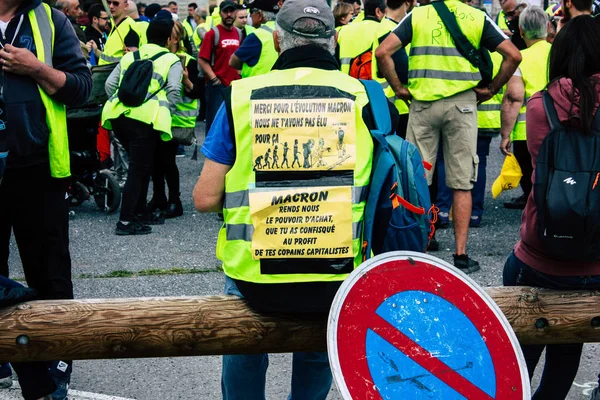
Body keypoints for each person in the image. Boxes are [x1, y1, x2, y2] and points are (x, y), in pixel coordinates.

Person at [193, 0, 399, 397]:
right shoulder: (367, 97)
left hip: (256, 279)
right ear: (334, 39)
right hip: (335, 275)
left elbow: (204, 198)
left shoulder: (240, 97)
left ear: (276, 39)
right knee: (320, 351)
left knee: (244, 350)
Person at [376, 0, 522, 273]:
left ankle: (416, 250)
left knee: (415, 178)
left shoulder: (417, 15)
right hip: (462, 106)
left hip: (422, 106)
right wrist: (491, 89)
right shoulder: (476, 17)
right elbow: (513, 55)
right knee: (461, 181)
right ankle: (461, 255)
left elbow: (383, 52)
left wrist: (399, 89)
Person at [503, 15, 600, 400]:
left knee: (520, 348)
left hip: (540, 257)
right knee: (567, 347)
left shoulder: (541, 106)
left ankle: (513, 388)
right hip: (596, 266)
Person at [0, 0, 92, 397]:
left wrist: (35, 68)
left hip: (36, 171)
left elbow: (81, 88)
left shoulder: (50, 21)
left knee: (50, 275)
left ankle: (53, 371)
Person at [102, 18, 183, 235]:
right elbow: (175, 91)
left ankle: (139, 213)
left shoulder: (131, 56)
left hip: (118, 118)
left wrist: (124, 104)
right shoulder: (171, 59)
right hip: (146, 121)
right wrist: (164, 113)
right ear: (168, 39)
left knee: (141, 167)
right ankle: (126, 222)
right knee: (139, 170)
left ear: (146, 36)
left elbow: (110, 84)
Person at [499, 6, 551, 210]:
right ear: (547, 27)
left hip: (526, 131)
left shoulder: (520, 58)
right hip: (558, 125)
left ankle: (533, 205)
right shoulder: (558, 53)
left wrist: (505, 135)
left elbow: (513, 98)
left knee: (530, 174)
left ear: (521, 31)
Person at [150, 20, 201, 218]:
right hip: (155, 116)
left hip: (176, 119)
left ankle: (174, 201)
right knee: (155, 161)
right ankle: (158, 197)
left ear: (176, 38)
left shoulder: (187, 60)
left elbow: (197, 92)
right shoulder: (158, 57)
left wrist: (186, 79)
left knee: (167, 161)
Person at [371, 0, 416, 137]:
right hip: (398, 105)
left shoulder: (387, 26)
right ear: (407, 3)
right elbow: (403, 70)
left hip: (394, 104)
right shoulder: (389, 30)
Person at [198, 0, 241, 134]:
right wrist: (214, 79)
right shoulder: (212, 33)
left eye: (231, 11)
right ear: (220, 13)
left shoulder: (239, 33)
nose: (229, 15)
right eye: (225, 12)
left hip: (234, 85)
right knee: (214, 122)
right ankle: (210, 153)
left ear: (235, 13)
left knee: (231, 121)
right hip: (217, 86)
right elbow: (202, 59)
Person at [229, 0, 278, 78]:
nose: (250, 16)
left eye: (251, 12)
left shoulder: (256, 36)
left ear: (259, 14)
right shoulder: (284, 30)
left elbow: (233, 62)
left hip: (258, 86)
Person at [337, 0, 386, 77]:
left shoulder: (343, 30)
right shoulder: (383, 31)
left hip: (345, 83)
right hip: (371, 85)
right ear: (378, 11)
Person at [99, 0, 147, 65]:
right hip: (104, 72)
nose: (111, 6)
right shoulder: (114, 24)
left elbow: (132, 62)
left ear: (126, 6)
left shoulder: (130, 28)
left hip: (115, 73)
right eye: (109, 2)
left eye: (116, 3)